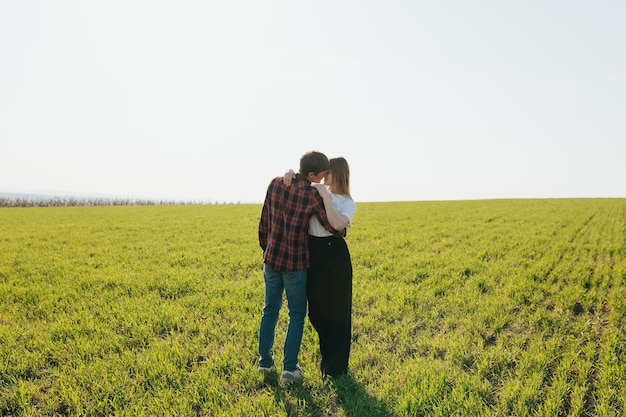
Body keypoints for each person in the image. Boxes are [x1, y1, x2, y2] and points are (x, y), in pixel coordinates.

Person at [257, 150, 340, 385]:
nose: (323, 181)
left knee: (269, 311)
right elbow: (330, 225)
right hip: (295, 265)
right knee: (296, 315)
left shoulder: (275, 183)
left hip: (271, 260)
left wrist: (267, 248)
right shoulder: (310, 194)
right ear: (312, 174)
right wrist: (342, 226)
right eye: (322, 176)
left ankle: (264, 363)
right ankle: (289, 369)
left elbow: (263, 222)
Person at [284, 157, 356, 378]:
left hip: (334, 254)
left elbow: (336, 224)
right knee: (317, 312)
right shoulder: (314, 190)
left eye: (329, 172)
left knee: (338, 313)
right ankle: (328, 361)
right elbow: (298, 185)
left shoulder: (347, 202)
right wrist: (289, 174)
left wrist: (325, 195)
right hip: (312, 253)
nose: (325, 175)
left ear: (338, 174)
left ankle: (335, 369)